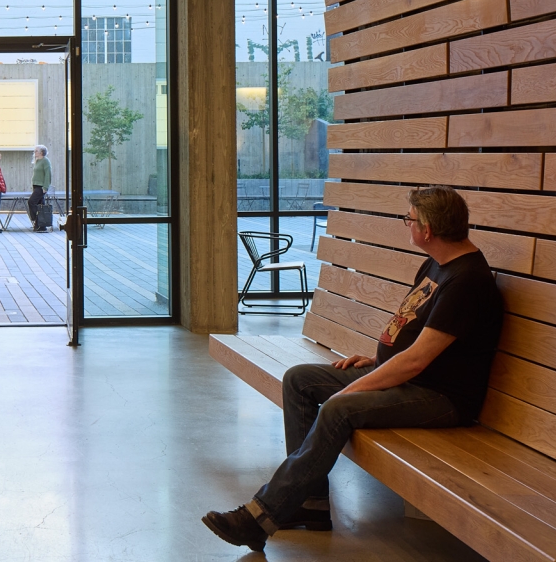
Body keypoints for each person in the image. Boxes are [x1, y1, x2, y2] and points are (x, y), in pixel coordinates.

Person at [202, 186, 504, 550]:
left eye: (409, 219)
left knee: (340, 407)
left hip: (438, 396)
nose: (406, 225)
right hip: (408, 377)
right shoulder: (437, 264)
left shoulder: (467, 281)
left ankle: (262, 515)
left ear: (427, 230)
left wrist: (356, 387)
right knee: (300, 379)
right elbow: (417, 337)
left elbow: (418, 360)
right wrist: (377, 361)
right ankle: (310, 505)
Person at [29, 145, 53, 232]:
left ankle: (38, 221)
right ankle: (41, 226)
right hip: (36, 185)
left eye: (36, 151)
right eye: (34, 151)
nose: (34, 152)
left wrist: (46, 187)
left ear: (41, 152)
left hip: (41, 186)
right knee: (40, 205)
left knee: (31, 201)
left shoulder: (45, 161)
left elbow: (48, 174)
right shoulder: (37, 161)